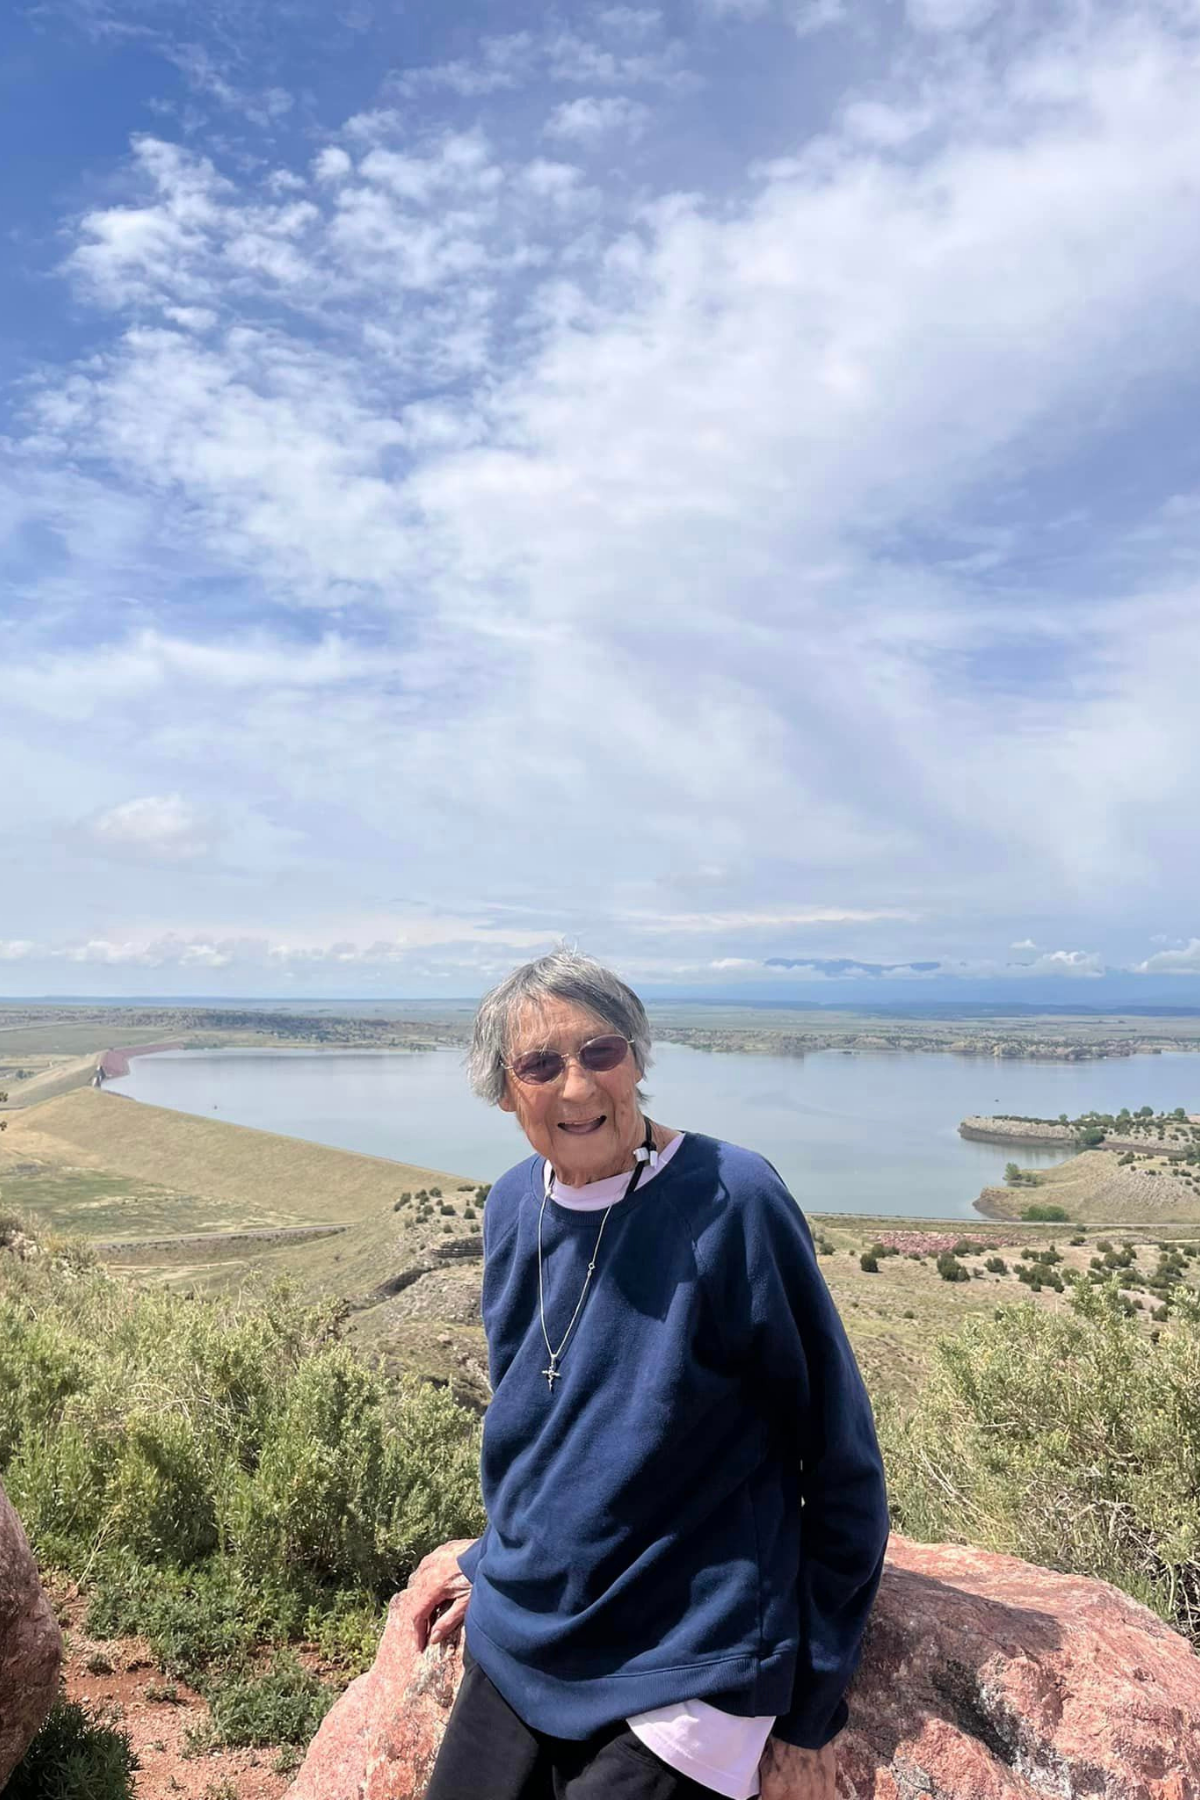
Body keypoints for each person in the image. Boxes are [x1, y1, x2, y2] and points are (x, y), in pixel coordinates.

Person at [415, 949, 889, 1800]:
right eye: (540, 1066)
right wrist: (491, 1560)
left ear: (637, 1056)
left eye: (602, 1052)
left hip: (688, 1659)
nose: (579, 1089)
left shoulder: (731, 1200)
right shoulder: (514, 1205)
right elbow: (542, 1432)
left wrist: (813, 1703)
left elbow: (840, 1452)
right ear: (502, 1090)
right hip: (528, 1634)